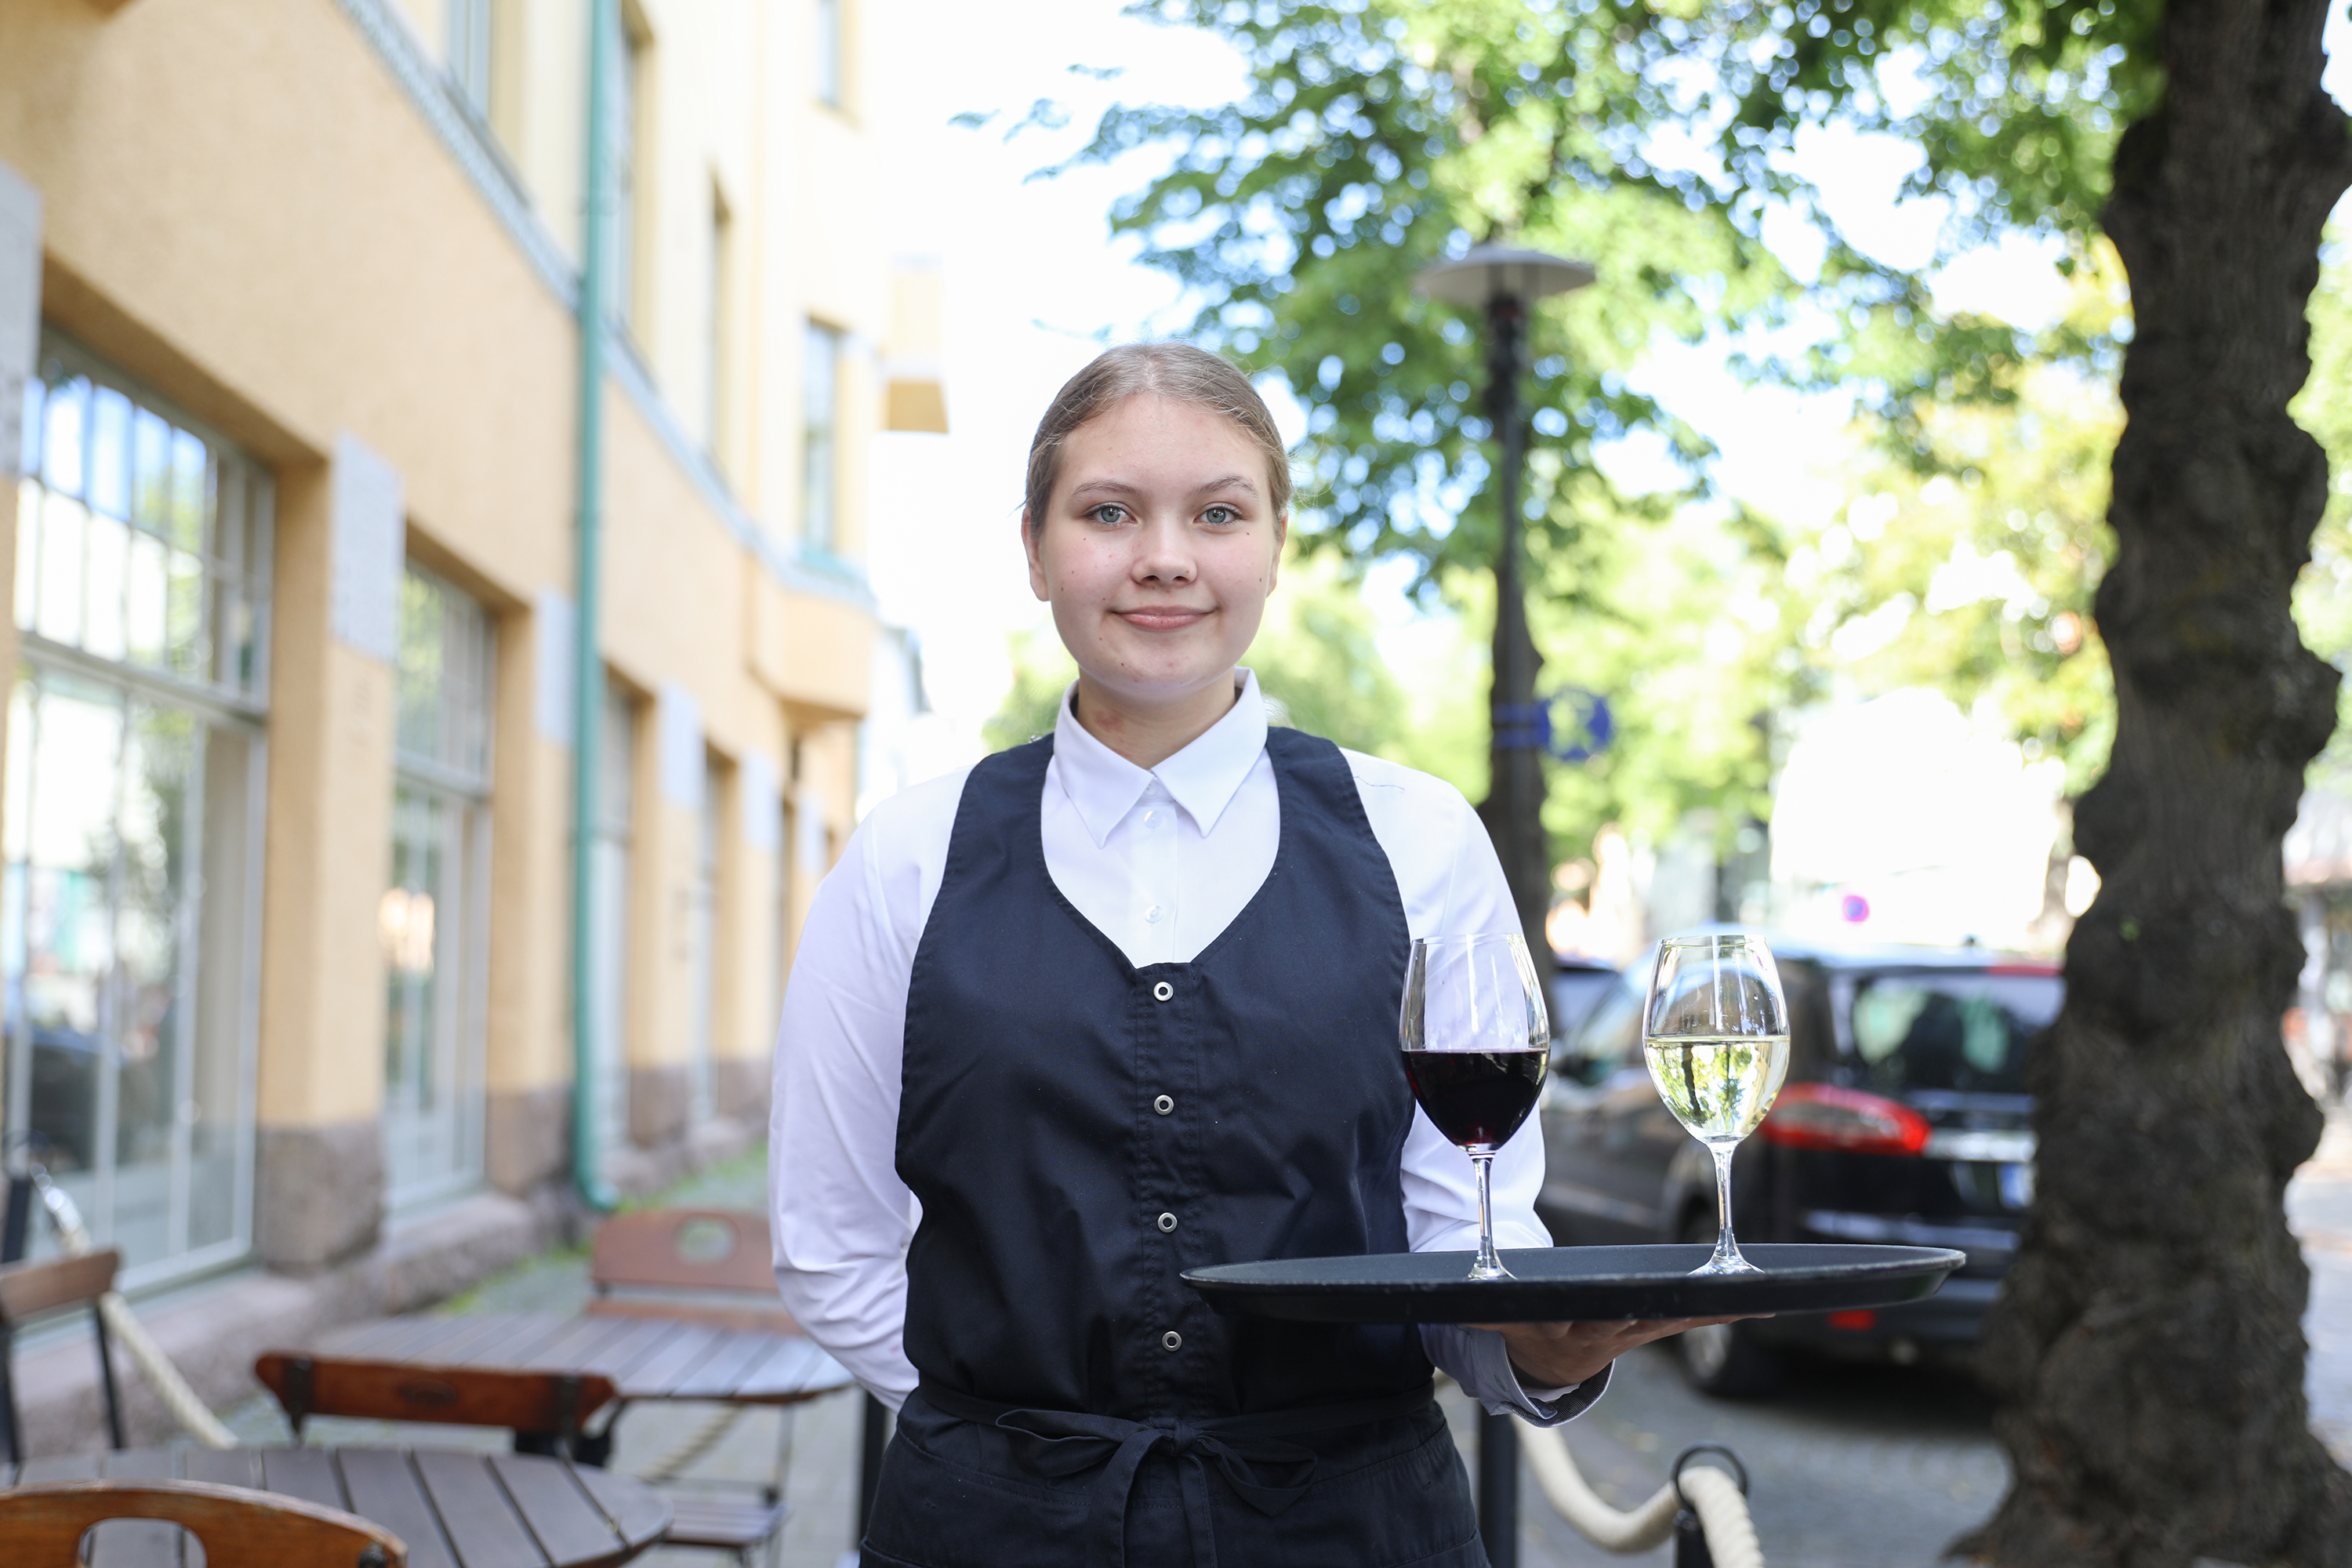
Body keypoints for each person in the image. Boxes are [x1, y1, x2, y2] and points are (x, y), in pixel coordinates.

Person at [771, 343, 1720, 1568]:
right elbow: (829, 1241)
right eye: (1108, 511)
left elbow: (1464, 1237)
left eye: (1217, 513)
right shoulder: (908, 859)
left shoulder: (1419, 839)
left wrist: (1536, 1351)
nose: (1163, 556)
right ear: (1034, 549)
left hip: (1358, 1532)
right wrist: (1009, 1442)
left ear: (1274, 544)